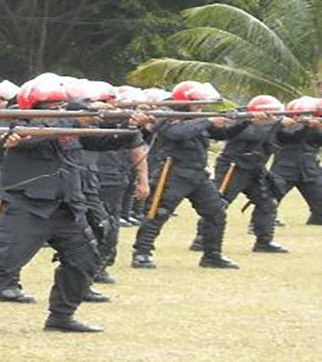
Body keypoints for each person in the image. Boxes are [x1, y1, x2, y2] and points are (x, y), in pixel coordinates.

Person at [0, 74, 145, 336]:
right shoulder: (15, 124)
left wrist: (133, 127)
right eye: (51, 107)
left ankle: (62, 315)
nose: (58, 111)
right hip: (28, 205)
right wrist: (71, 119)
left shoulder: (67, 125)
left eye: (60, 106)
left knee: (85, 260)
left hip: (67, 205)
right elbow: (33, 137)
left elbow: (102, 140)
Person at [131, 81, 273, 270]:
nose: (200, 107)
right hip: (172, 171)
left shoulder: (197, 117)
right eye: (197, 103)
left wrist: (246, 121)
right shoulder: (166, 114)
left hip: (198, 173)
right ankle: (142, 252)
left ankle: (212, 255)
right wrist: (208, 120)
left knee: (216, 212)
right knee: (158, 212)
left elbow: (223, 134)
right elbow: (177, 133)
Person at [192, 95, 294, 254]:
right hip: (233, 167)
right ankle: (201, 239)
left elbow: (288, 139)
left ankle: (264, 241)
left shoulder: (271, 126)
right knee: (218, 203)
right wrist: (275, 123)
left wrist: (306, 125)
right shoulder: (243, 123)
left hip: (255, 169)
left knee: (268, 203)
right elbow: (253, 135)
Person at [269, 97, 322, 225]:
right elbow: (291, 137)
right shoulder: (283, 125)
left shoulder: (315, 127)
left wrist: (317, 127)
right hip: (285, 167)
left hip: (309, 169)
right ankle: (265, 222)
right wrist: (306, 126)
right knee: (269, 201)